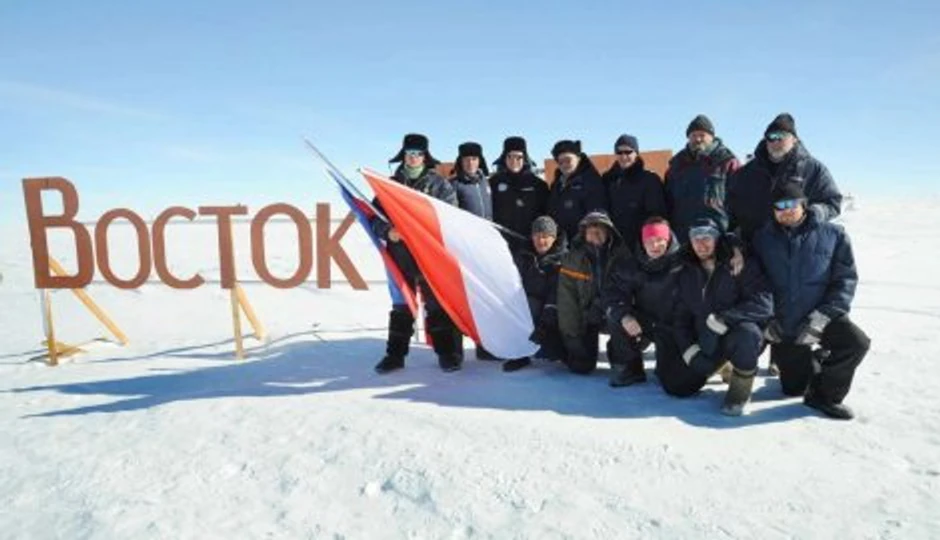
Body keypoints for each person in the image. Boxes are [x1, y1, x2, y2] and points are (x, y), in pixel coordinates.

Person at [751, 180, 871, 419]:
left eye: (791, 203)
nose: (785, 210)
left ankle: (824, 397)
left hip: (820, 316)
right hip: (784, 324)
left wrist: (822, 318)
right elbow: (753, 283)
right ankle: (815, 360)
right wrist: (767, 318)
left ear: (804, 204)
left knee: (856, 343)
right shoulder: (761, 239)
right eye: (779, 205)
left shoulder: (833, 235)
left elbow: (845, 280)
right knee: (793, 388)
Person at [371, 133, 464, 374]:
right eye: (410, 153)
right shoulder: (389, 185)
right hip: (400, 255)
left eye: (418, 153)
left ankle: (446, 354)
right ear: (404, 155)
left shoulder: (439, 185)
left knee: (436, 304)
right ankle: (395, 356)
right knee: (402, 305)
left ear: (425, 156)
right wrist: (387, 230)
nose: (413, 158)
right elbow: (373, 217)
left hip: (429, 256)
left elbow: (451, 219)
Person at [665, 218, 774, 415]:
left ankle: (740, 389)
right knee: (676, 386)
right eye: (695, 239)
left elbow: (763, 304)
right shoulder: (686, 270)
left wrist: (724, 319)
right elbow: (681, 316)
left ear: (717, 239)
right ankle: (722, 365)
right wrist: (690, 350)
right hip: (706, 340)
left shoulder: (740, 263)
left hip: (734, 337)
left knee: (747, 333)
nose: (701, 244)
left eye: (707, 238)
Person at [728, 113, 843, 244]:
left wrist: (813, 213)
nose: (775, 141)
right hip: (754, 249)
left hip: (795, 249)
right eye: (771, 137)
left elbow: (832, 202)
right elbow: (730, 207)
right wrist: (734, 238)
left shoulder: (813, 169)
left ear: (794, 139)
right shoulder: (746, 173)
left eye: (781, 136)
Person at [603, 217, 685, 387]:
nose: (655, 246)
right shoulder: (633, 264)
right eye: (650, 241)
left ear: (668, 239)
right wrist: (625, 315)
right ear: (643, 241)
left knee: (671, 380)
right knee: (616, 316)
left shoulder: (683, 262)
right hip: (645, 321)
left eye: (660, 240)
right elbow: (614, 293)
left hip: (674, 327)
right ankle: (629, 368)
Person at [556, 211, 629, 375]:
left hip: (615, 312)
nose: (595, 234)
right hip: (587, 314)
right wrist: (572, 336)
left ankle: (620, 356)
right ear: (583, 234)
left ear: (609, 232)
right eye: (590, 230)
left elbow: (630, 291)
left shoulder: (622, 256)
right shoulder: (572, 259)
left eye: (600, 230)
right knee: (581, 366)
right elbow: (567, 300)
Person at [503, 216, 568, 372]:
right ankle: (519, 354)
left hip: (553, 310)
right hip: (528, 308)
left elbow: (557, 294)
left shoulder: (564, 259)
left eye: (545, 237)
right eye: (537, 236)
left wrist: (545, 324)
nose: (541, 241)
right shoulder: (523, 255)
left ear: (553, 238)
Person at [664, 115, 740, 242]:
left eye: (702, 135)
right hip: (683, 237)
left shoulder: (727, 162)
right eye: (693, 135)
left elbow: (741, 202)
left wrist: (734, 235)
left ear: (712, 136)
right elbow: (667, 202)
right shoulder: (676, 165)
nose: (697, 139)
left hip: (718, 237)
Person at [601, 134, 667, 248]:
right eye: (619, 152)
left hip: (642, 244)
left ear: (636, 153)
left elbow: (657, 214)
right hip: (614, 245)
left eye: (628, 152)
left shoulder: (649, 180)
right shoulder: (607, 179)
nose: (623, 156)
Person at [490, 136, 550, 252]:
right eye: (510, 157)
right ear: (504, 158)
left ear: (525, 158)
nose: (514, 161)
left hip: (530, 243)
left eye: (519, 157)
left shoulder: (538, 185)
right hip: (502, 243)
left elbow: (545, 214)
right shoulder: (494, 183)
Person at [547, 139, 608, 243]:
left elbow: (596, 217)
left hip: (583, 245)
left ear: (578, 158)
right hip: (561, 245)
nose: (564, 164)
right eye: (560, 162)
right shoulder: (556, 184)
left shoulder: (591, 182)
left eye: (568, 160)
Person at [449, 141, 493, 220]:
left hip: (488, 229)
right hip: (467, 230)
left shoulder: (486, 182)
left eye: (474, 159)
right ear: (461, 161)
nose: (470, 163)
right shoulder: (453, 185)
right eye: (466, 159)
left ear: (479, 161)